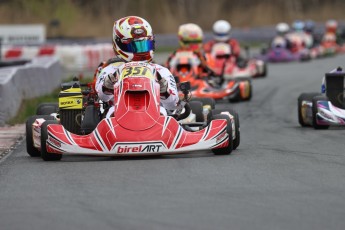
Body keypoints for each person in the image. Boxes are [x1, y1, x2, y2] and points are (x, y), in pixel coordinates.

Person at [95, 16, 179, 118]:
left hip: (155, 116)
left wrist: (164, 91)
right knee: (111, 112)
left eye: (145, 45)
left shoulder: (161, 71)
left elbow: (172, 105)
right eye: (134, 46)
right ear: (119, 44)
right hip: (117, 115)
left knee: (163, 112)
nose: (141, 50)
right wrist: (107, 86)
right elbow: (102, 97)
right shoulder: (110, 70)